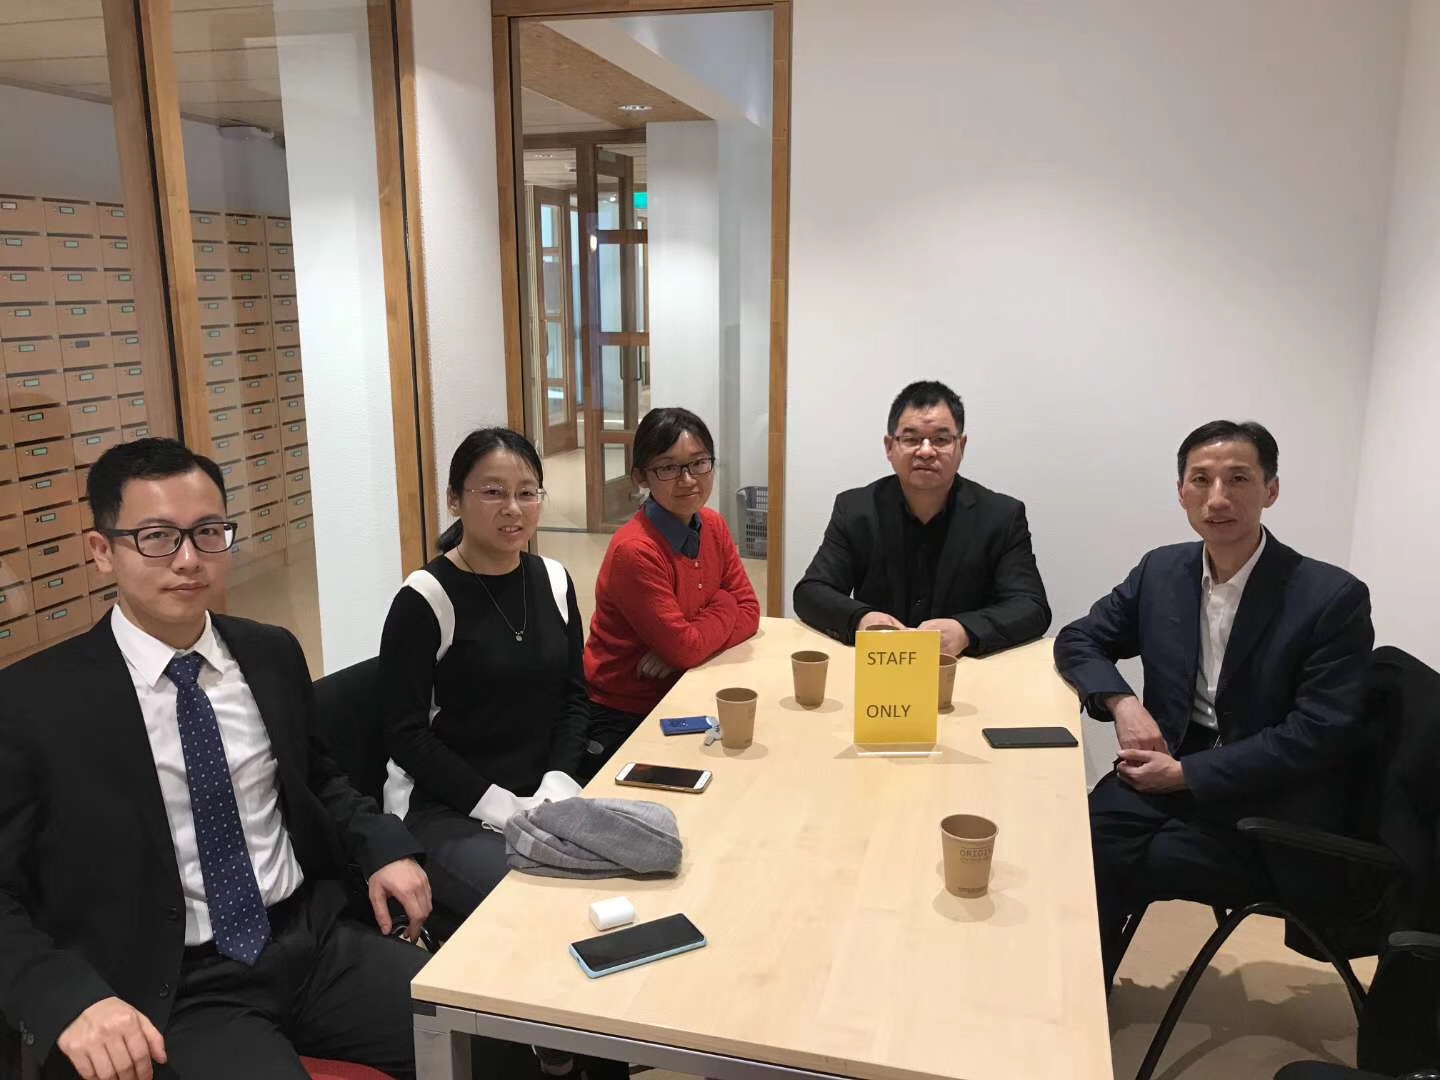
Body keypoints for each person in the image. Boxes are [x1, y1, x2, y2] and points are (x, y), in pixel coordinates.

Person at [0, 438, 433, 1080]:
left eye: (207, 532)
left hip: (308, 941)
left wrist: (383, 846)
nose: (188, 560)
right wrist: (66, 999)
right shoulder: (33, 703)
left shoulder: (270, 653)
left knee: (492, 1028)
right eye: (156, 537)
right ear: (101, 551)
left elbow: (317, 778)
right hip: (176, 988)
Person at [1054, 420, 1374, 986]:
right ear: (1181, 492)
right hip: (1169, 763)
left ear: (1271, 490)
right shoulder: (1162, 570)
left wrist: (1186, 775)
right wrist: (1124, 703)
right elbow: (1079, 638)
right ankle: (1076, 993)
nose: (1218, 498)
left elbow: (1319, 733)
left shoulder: (1329, 597)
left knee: (1104, 860)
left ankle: (1077, 997)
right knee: (1071, 841)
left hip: (1267, 800)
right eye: (1201, 480)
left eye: (1238, 479)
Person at [378, 428, 588, 923]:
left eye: (527, 492)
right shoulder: (424, 599)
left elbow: (575, 699)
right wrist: (498, 805)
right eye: (493, 492)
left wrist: (557, 786)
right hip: (446, 808)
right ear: (454, 500)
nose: (513, 508)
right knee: (540, 903)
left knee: (627, 863)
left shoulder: (554, 581)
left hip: (542, 796)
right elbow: (405, 734)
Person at [793, 379, 1050, 655]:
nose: (926, 451)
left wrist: (966, 631)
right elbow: (811, 591)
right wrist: (861, 619)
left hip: (963, 667)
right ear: (890, 447)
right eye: (911, 439)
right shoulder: (856, 509)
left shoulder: (1001, 516)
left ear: (961, 446)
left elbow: (1031, 606)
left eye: (941, 440)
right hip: (879, 664)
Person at [582, 407, 761, 779]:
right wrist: (716, 611)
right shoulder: (636, 550)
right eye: (668, 468)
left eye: (699, 463)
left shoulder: (713, 525)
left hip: (687, 685)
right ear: (640, 477)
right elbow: (688, 646)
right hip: (626, 710)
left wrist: (688, 644)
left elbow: (749, 610)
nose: (688, 480)